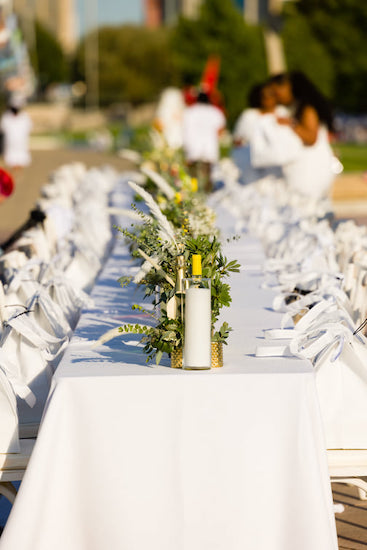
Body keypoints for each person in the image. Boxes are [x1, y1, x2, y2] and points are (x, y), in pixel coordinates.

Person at [268, 71, 335, 199]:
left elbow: (311, 138)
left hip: (311, 169)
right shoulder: (300, 107)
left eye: (277, 91)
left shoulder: (307, 109)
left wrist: (291, 124)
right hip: (308, 167)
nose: (276, 96)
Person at [232, 82, 287, 183]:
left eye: (271, 95)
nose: (267, 99)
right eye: (264, 96)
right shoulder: (249, 116)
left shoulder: (283, 113)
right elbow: (237, 141)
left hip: (277, 166)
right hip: (252, 165)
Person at [182, 90, 225, 192]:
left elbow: (184, 128)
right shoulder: (215, 112)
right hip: (209, 146)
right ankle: (206, 193)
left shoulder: (189, 111)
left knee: (193, 175)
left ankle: (194, 194)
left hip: (193, 146)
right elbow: (220, 129)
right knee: (207, 173)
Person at [0, 96, 32, 178]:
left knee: (21, 159)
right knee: (12, 159)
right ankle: (14, 174)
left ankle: (19, 173)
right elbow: (2, 129)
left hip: (21, 143)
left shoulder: (25, 117)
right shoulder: (6, 117)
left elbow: (28, 128)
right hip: (10, 143)